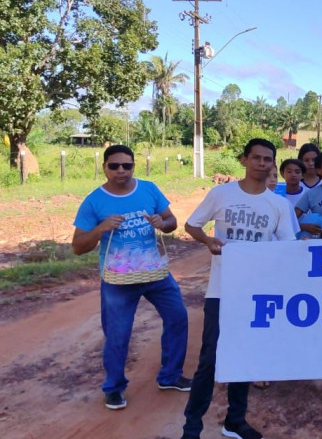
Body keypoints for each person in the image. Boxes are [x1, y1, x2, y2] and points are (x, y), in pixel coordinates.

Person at [182, 138, 297, 439]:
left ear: (273, 163)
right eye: (256, 158)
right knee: (209, 359)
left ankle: (235, 420)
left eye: (267, 159)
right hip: (222, 290)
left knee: (244, 356)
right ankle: (191, 427)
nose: (262, 163)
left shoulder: (279, 205)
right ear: (244, 159)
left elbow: (288, 249)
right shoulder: (221, 194)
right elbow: (192, 225)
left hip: (256, 293)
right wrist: (208, 241)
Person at [72, 144, 190, 411]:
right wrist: (101, 228)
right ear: (104, 167)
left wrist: (163, 223)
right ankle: (113, 388)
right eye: (114, 165)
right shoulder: (94, 201)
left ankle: (170, 376)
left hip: (155, 272)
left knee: (178, 318)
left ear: (134, 166)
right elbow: (78, 247)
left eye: (127, 165)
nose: (121, 170)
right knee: (117, 335)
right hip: (118, 280)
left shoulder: (149, 189)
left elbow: (172, 222)